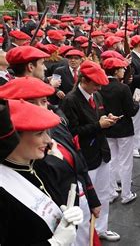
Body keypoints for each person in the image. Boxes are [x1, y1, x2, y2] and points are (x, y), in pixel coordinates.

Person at [0, 99, 83, 245]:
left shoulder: (39, 164)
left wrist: (69, 215)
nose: (48, 139)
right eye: (39, 133)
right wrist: (54, 244)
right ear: (14, 138)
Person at [61, 60, 121, 241]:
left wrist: (106, 119)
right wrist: (98, 125)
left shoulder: (96, 96)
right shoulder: (70, 100)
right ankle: (86, 236)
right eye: (95, 84)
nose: (98, 88)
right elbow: (72, 132)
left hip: (102, 152)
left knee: (103, 193)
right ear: (84, 80)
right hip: (86, 156)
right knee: (87, 202)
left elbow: (98, 116)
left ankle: (101, 229)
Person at [100, 57, 140, 204]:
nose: (124, 71)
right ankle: (126, 193)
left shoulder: (100, 86)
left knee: (111, 161)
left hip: (108, 129)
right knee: (125, 162)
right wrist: (136, 101)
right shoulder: (123, 88)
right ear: (116, 70)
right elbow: (131, 111)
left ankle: (111, 192)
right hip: (124, 129)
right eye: (122, 69)